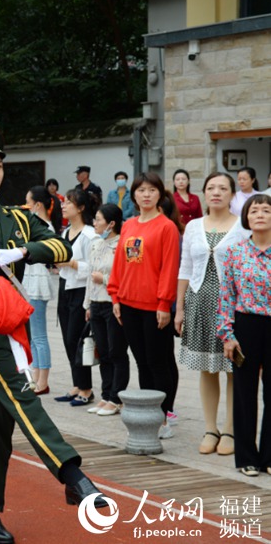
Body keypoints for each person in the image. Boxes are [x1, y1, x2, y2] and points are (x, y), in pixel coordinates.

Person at [0, 126, 106, 542]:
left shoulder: (17, 217)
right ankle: (73, 476)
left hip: (13, 330)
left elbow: (60, 248)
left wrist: (21, 252)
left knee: (1, 425)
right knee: (22, 395)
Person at [176, 172, 247, 455]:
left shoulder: (243, 227)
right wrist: (179, 307)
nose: (216, 192)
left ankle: (230, 429)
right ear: (203, 193)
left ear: (232, 194)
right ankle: (210, 428)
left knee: (233, 369)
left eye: (222, 188)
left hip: (233, 308)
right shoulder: (193, 226)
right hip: (199, 302)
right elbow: (185, 268)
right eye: (211, 188)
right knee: (207, 368)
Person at [107, 172, 181, 439]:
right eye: (141, 190)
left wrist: (164, 303)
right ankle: (149, 413)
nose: (146, 194)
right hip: (127, 303)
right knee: (141, 361)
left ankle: (163, 416)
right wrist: (115, 296)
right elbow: (119, 263)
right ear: (134, 195)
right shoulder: (128, 225)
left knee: (158, 361)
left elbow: (170, 268)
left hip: (154, 306)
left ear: (160, 194)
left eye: (152, 190)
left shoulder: (166, 227)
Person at [217, 193, 271, 477]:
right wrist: (227, 334)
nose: (260, 214)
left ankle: (269, 456)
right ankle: (247, 457)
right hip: (245, 325)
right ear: (247, 218)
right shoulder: (236, 252)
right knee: (245, 393)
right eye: (254, 210)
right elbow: (226, 295)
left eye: (266, 210)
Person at [53, 189, 98, 407]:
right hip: (65, 287)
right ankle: (77, 384)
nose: (64, 206)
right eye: (63, 202)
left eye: (69, 202)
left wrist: (70, 263)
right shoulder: (65, 232)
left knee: (77, 340)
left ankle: (87, 389)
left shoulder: (90, 235)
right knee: (67, 339)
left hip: (81, 289)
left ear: (81, 208)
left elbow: (94, 267)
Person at [83, 204, 128, 417]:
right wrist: (87, 305)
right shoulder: (95, 243)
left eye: (98, 219)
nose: (94, 223)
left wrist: (106, 279)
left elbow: (127, 277)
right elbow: (90, 276)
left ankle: (117, 397)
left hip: (114, 303)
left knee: (116, 351)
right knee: (102, 351)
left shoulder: (122, 245)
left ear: (111, 223)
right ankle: (106, 394)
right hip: (96, 303)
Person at [23, 186, 57, 394]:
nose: (25, 206)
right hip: (29, 281)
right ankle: (36, 375)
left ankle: (43, 379)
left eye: (28, 202)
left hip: (37, 281)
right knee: (33, 335)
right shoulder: (36, 224)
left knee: (39, 335)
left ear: (37, 204)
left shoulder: (44, 227)